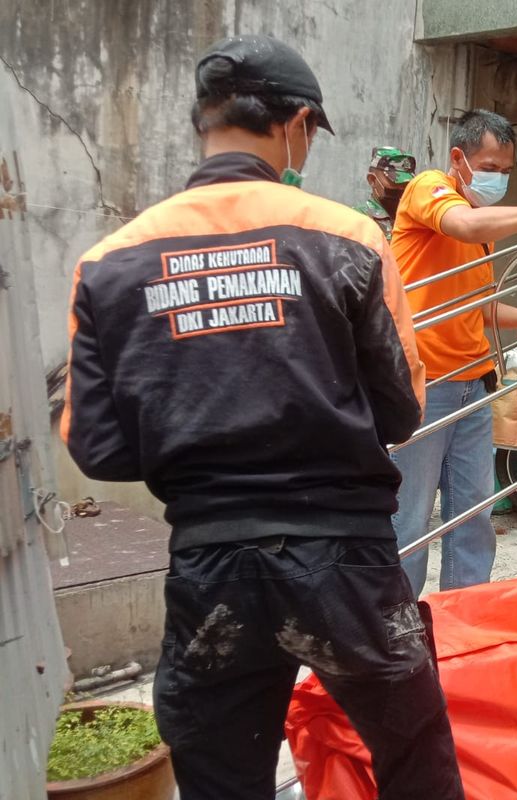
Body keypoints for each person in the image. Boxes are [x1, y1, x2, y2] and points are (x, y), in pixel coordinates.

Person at [61, 35, 463, 800]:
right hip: (346, 562)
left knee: (220, 780)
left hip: (211, 566)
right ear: (297, 124)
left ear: (203, 123)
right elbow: (401, 408)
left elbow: (98, 449)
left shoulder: (110, 261)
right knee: (415, 764)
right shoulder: (347, 238)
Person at [389, 108, 517, 595]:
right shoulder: (430, 190)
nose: (498, 179)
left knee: (474, 517)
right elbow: (463, 225)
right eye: (489, 168)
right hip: (426, 388)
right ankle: (396, 632)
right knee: (411, 522)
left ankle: (465, 621)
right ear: (459, 159)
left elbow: (479, 307)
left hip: (474, 387)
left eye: (506, 172)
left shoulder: (482, 232)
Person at [354, 146, 417, 238]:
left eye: (406, 183)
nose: (401, 188)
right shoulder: (359, 219)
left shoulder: (413, 220)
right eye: (395, 181)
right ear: (372, 180)